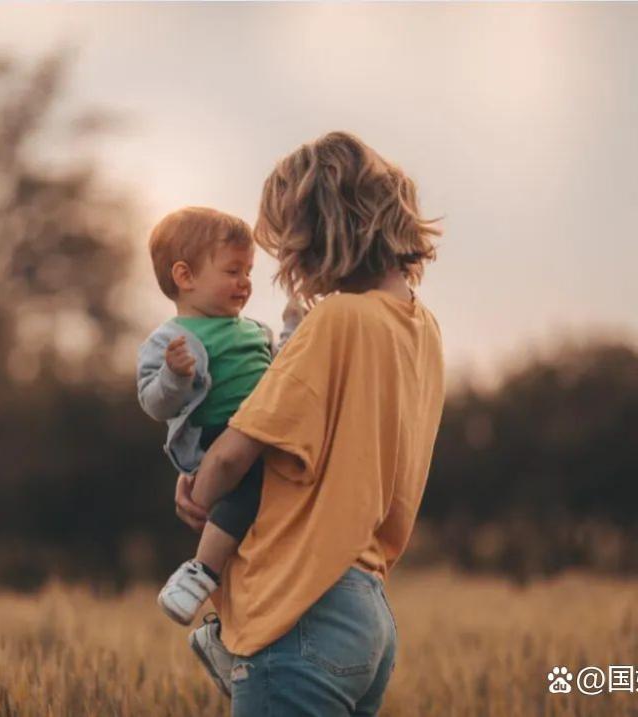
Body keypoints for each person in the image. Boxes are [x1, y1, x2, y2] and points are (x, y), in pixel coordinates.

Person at [177, 131, 446, 715]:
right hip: (367, 614)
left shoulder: (336, 324)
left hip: (299, 611)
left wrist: (197, 489)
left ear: (319, 231)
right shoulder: (420, 330)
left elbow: (232, 455)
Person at [136, 206, 301, 632]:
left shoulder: (253, 331)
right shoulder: (169, 341)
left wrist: (293, 330)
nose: (245, 282)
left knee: (262, 538)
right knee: (247, 493)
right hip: (218, 439)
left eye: (248, 270)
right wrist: (174, 376)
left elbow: (281, 372)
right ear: (185, 277)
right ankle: (200, 571)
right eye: (232, 270)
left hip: (260, 433)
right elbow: (154, 403)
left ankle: (227, 633)